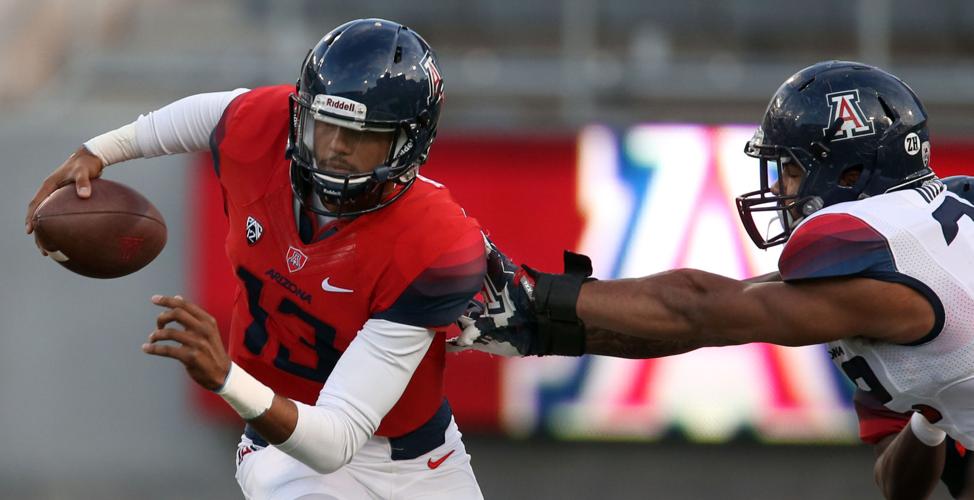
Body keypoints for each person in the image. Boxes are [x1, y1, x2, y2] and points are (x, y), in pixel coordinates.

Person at [453, 61, 974, 499]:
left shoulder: (887, 278)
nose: (782, 189)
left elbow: (700, 310)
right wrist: (548, 329)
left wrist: (539, 293)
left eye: (790, 170)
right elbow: (901, 487)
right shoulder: (915, 243)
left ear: (850, 175)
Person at [27, 19, 486, 500]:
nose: (333, 148)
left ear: (408, 143)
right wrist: (100, 150)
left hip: (419, 457)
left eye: (361, 135)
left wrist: (226, 378)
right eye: (324, 124)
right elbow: (209, 114)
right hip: (285, 450)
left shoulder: (434, 242)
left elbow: (338, 439)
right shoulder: (264, 128)